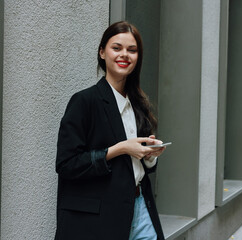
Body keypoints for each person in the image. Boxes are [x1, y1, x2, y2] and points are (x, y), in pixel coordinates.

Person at [55, 21, 166, 240]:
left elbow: (134, 166)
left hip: (141, 206)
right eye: (117, 48)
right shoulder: (84, 101)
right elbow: (66, 164)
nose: (125, 55)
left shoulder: (137, 103)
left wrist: (149, 156)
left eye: (132, 50)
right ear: (102, 52)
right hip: (100, 218)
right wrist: (119, 149)